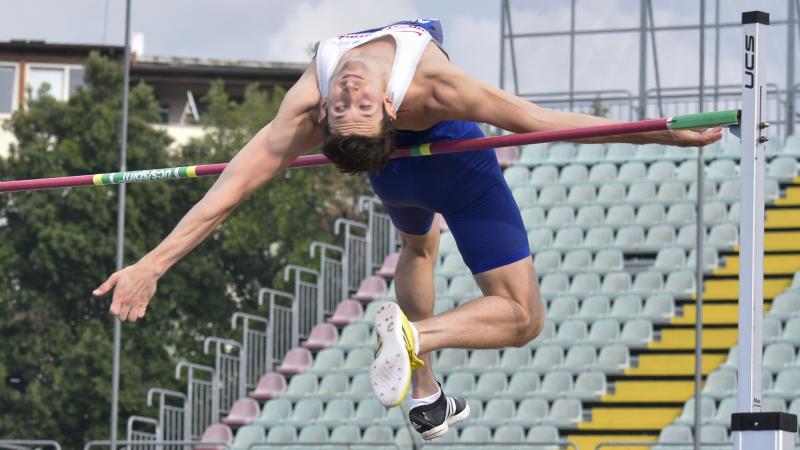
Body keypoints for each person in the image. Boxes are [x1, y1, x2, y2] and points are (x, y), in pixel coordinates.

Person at [93, 18, 721, 440]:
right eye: (347, 107)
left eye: (352, 105)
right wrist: (151, 264)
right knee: (516, 312)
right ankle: (420, 349)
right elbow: (226, 193)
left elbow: (535, 121)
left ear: (383, 110)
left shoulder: (369, 96)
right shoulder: (382, 97)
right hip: (427, 162)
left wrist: (658, 130)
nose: (348, 94)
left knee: (426, 247)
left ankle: (423, 380)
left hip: (421, 166)